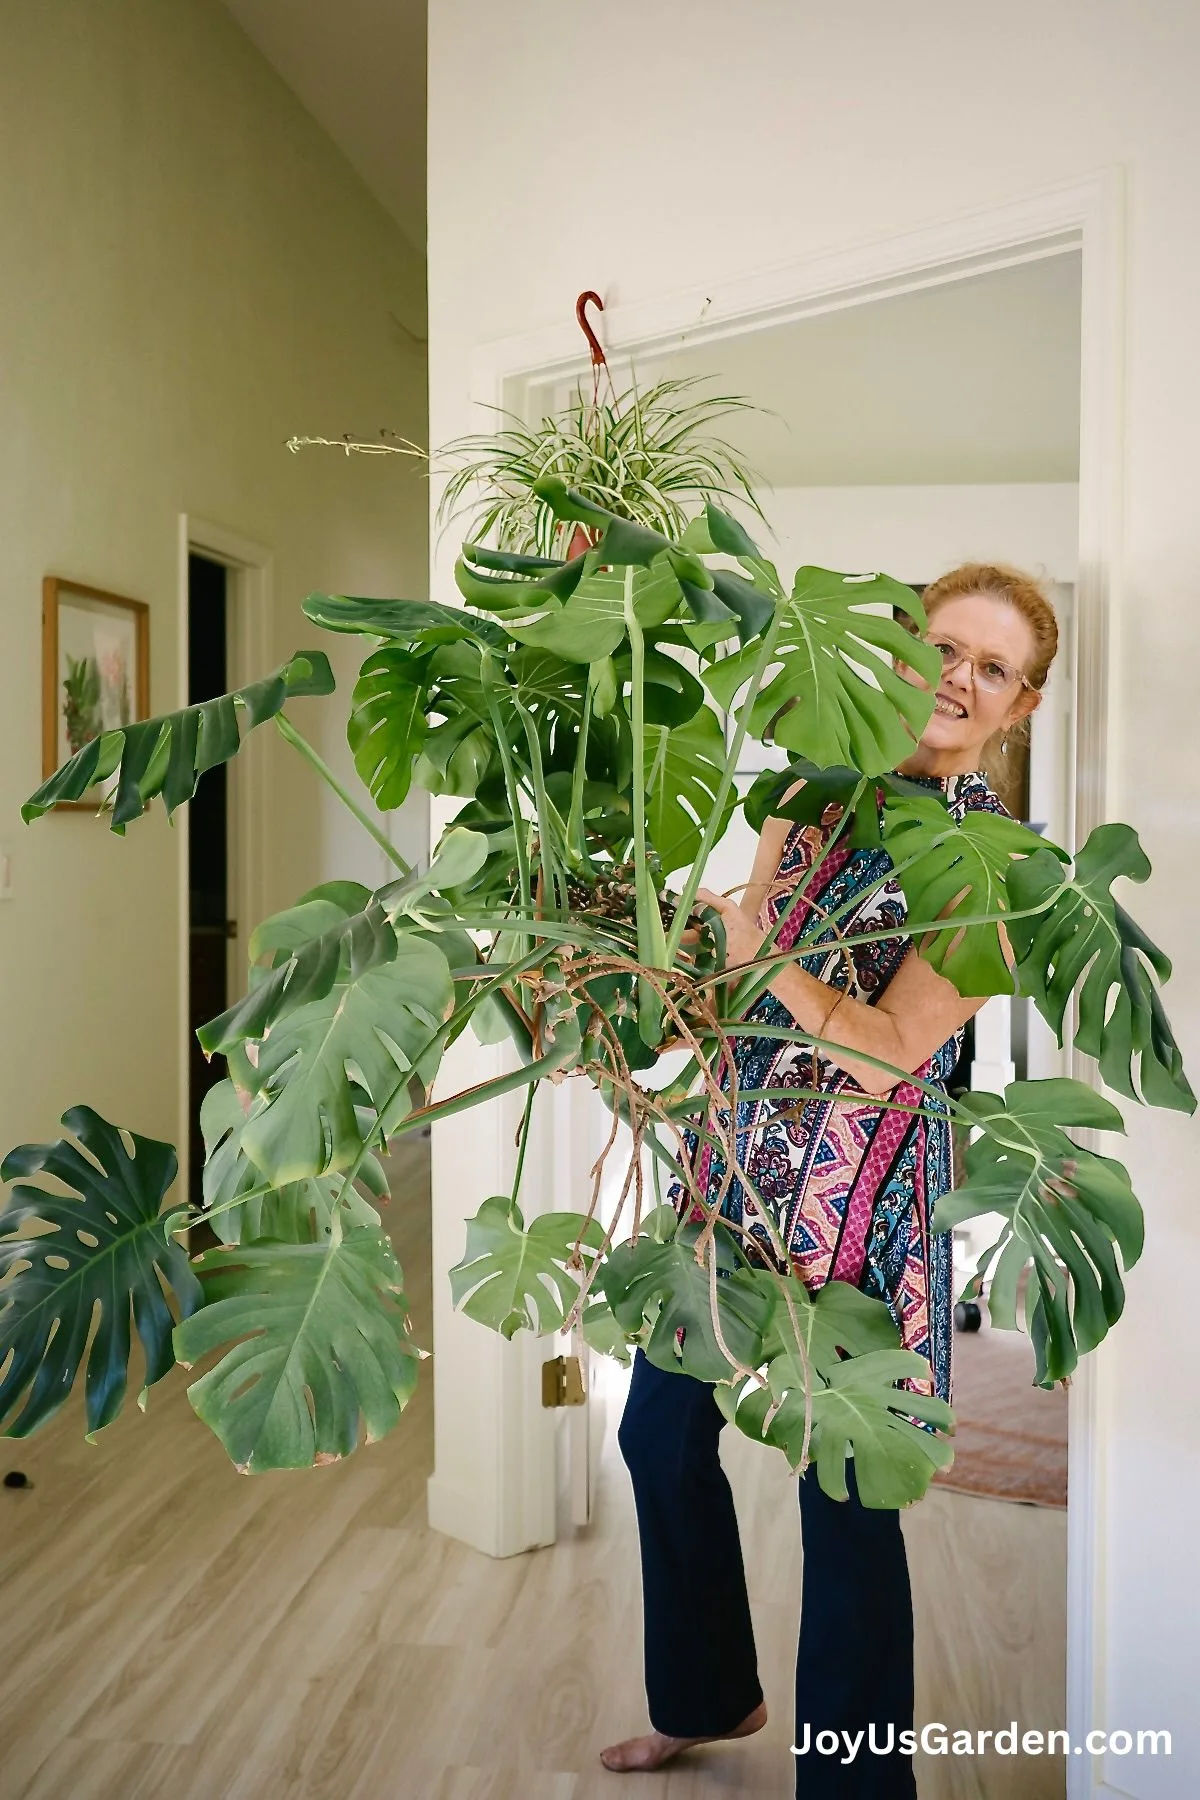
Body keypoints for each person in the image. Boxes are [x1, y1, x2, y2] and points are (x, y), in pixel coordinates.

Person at [599, 564, 1060, 1797]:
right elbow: (732, 989)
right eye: (946, 646)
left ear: (1018, 709)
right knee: (656, 1432)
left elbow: (894, 1053)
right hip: (733, 1170)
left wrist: (774, 964)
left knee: (848, 1503)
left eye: (995, 668)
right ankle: (709, 1692)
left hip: (874, 1211)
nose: (960, 676)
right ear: (903, 651)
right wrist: (653, 986)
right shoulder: (803, 794)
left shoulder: (1000, 865)